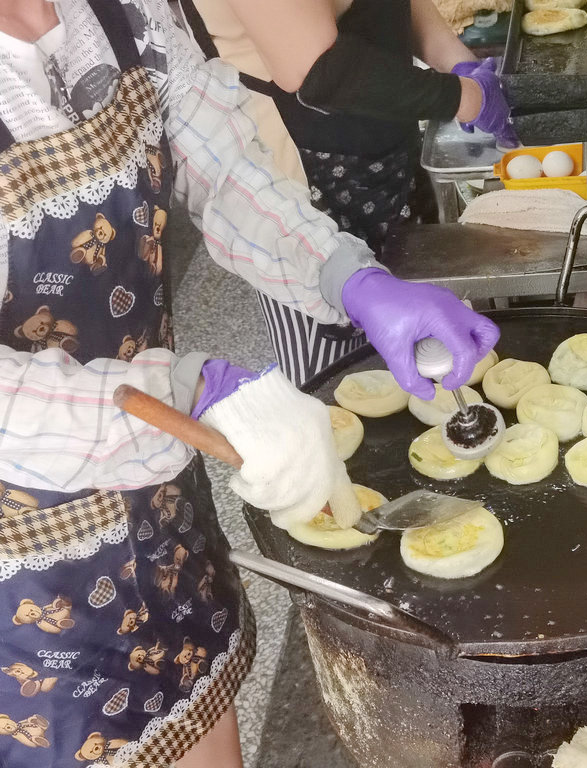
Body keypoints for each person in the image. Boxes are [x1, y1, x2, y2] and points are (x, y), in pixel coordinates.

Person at [0, 0, 498, 766]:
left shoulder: (123, 12)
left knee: (203, 724)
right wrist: (186, 391)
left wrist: (348, 276)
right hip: (24, 578)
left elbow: (227, 172)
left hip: (160, 504)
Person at [179, 0, 516, 385]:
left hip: (384, 137)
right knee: (344, 376)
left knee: (424, 328)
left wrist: (454, 60)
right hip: (301, 173)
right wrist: (465, 97)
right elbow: (319, 69)